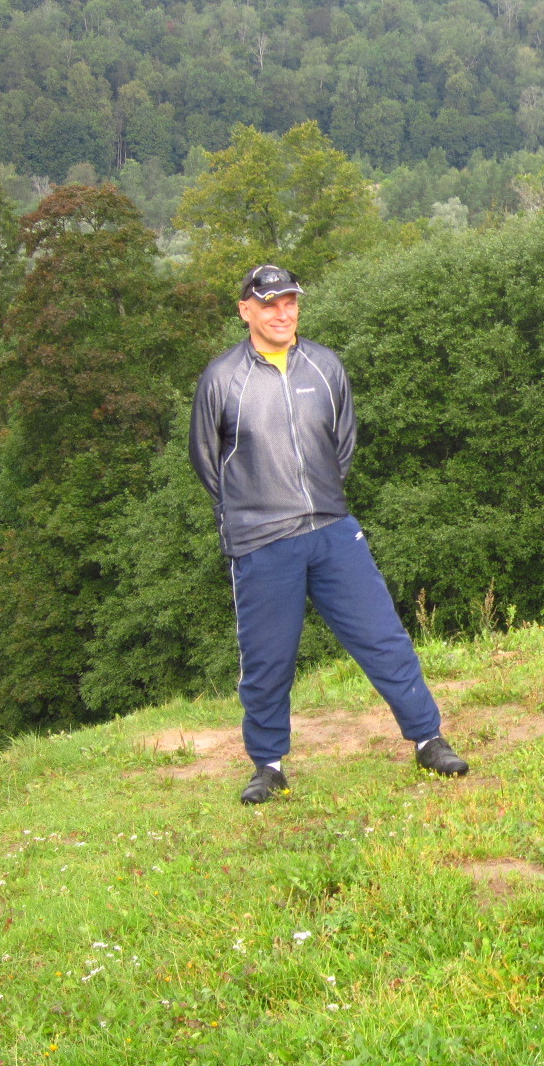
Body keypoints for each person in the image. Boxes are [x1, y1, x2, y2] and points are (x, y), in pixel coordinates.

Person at [190, 264, 468, 804]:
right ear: (245, 310)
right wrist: (254, 509)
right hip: (261, 539)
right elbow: (207, 460)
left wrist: (317, 497)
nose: (282, 313)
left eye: (289, 302)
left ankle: (428, 740)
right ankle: (268, 766)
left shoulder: (325, 365)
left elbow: (342, 444)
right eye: (269, 304)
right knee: (268, 660)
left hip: (332, 529)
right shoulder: (221, 378)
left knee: (383, 637)